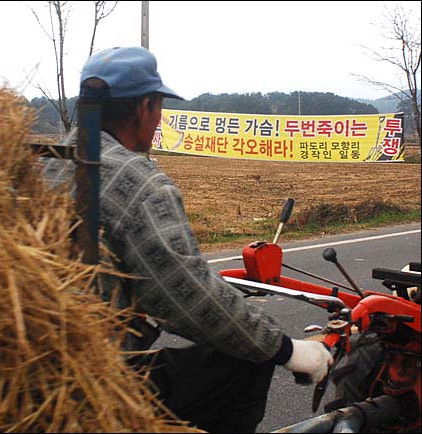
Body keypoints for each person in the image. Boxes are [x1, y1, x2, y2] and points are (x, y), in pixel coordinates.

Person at [77, 46, 333, 433]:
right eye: (159, 106)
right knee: (247, 359)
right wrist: (286, 349)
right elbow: (186, 296)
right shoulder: (138, 183)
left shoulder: (42, 162)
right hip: (99, 385)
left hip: (39, 364)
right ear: (146, 107)